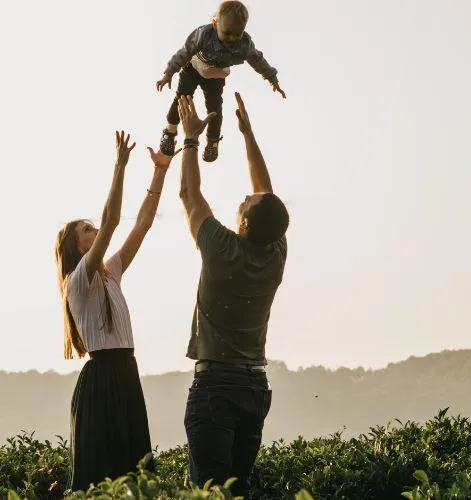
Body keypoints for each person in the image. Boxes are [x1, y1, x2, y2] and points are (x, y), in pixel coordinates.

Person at [177, 93, 288, 497]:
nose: (243, 196)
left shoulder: (222, 248)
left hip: (216, 387)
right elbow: (267, 196)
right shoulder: (275, 250)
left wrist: (190, 140)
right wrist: (247, 134)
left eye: (244, 203)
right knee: (238, 490)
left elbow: (190, 196)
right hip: (255, 387)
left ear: (242, 224)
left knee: (210, 492)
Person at [54, 131, 178, 491]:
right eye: (86, 230)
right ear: (75, 245)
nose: (95, 231)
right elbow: (112, 222)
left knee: (135, 477)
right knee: (101, 479)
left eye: (92, 227)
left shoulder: (111, 273)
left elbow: (142, 224)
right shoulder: (78, 279)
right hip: (102, 380)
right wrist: (120, 167)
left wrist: (160, 172)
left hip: (126, 373)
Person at [156, 0, 286, 163]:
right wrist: (169, 73)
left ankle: (213, 142)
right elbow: (184, 52)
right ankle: (170, 131)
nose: (232, 39)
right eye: (227, 33)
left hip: (215, 77)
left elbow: (258, 60)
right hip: (194, 68)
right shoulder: (203, 34)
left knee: (214, 108)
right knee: (182, 98)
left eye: (237, 34)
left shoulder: (244, 45)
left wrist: (272, 79)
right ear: (215, 24)